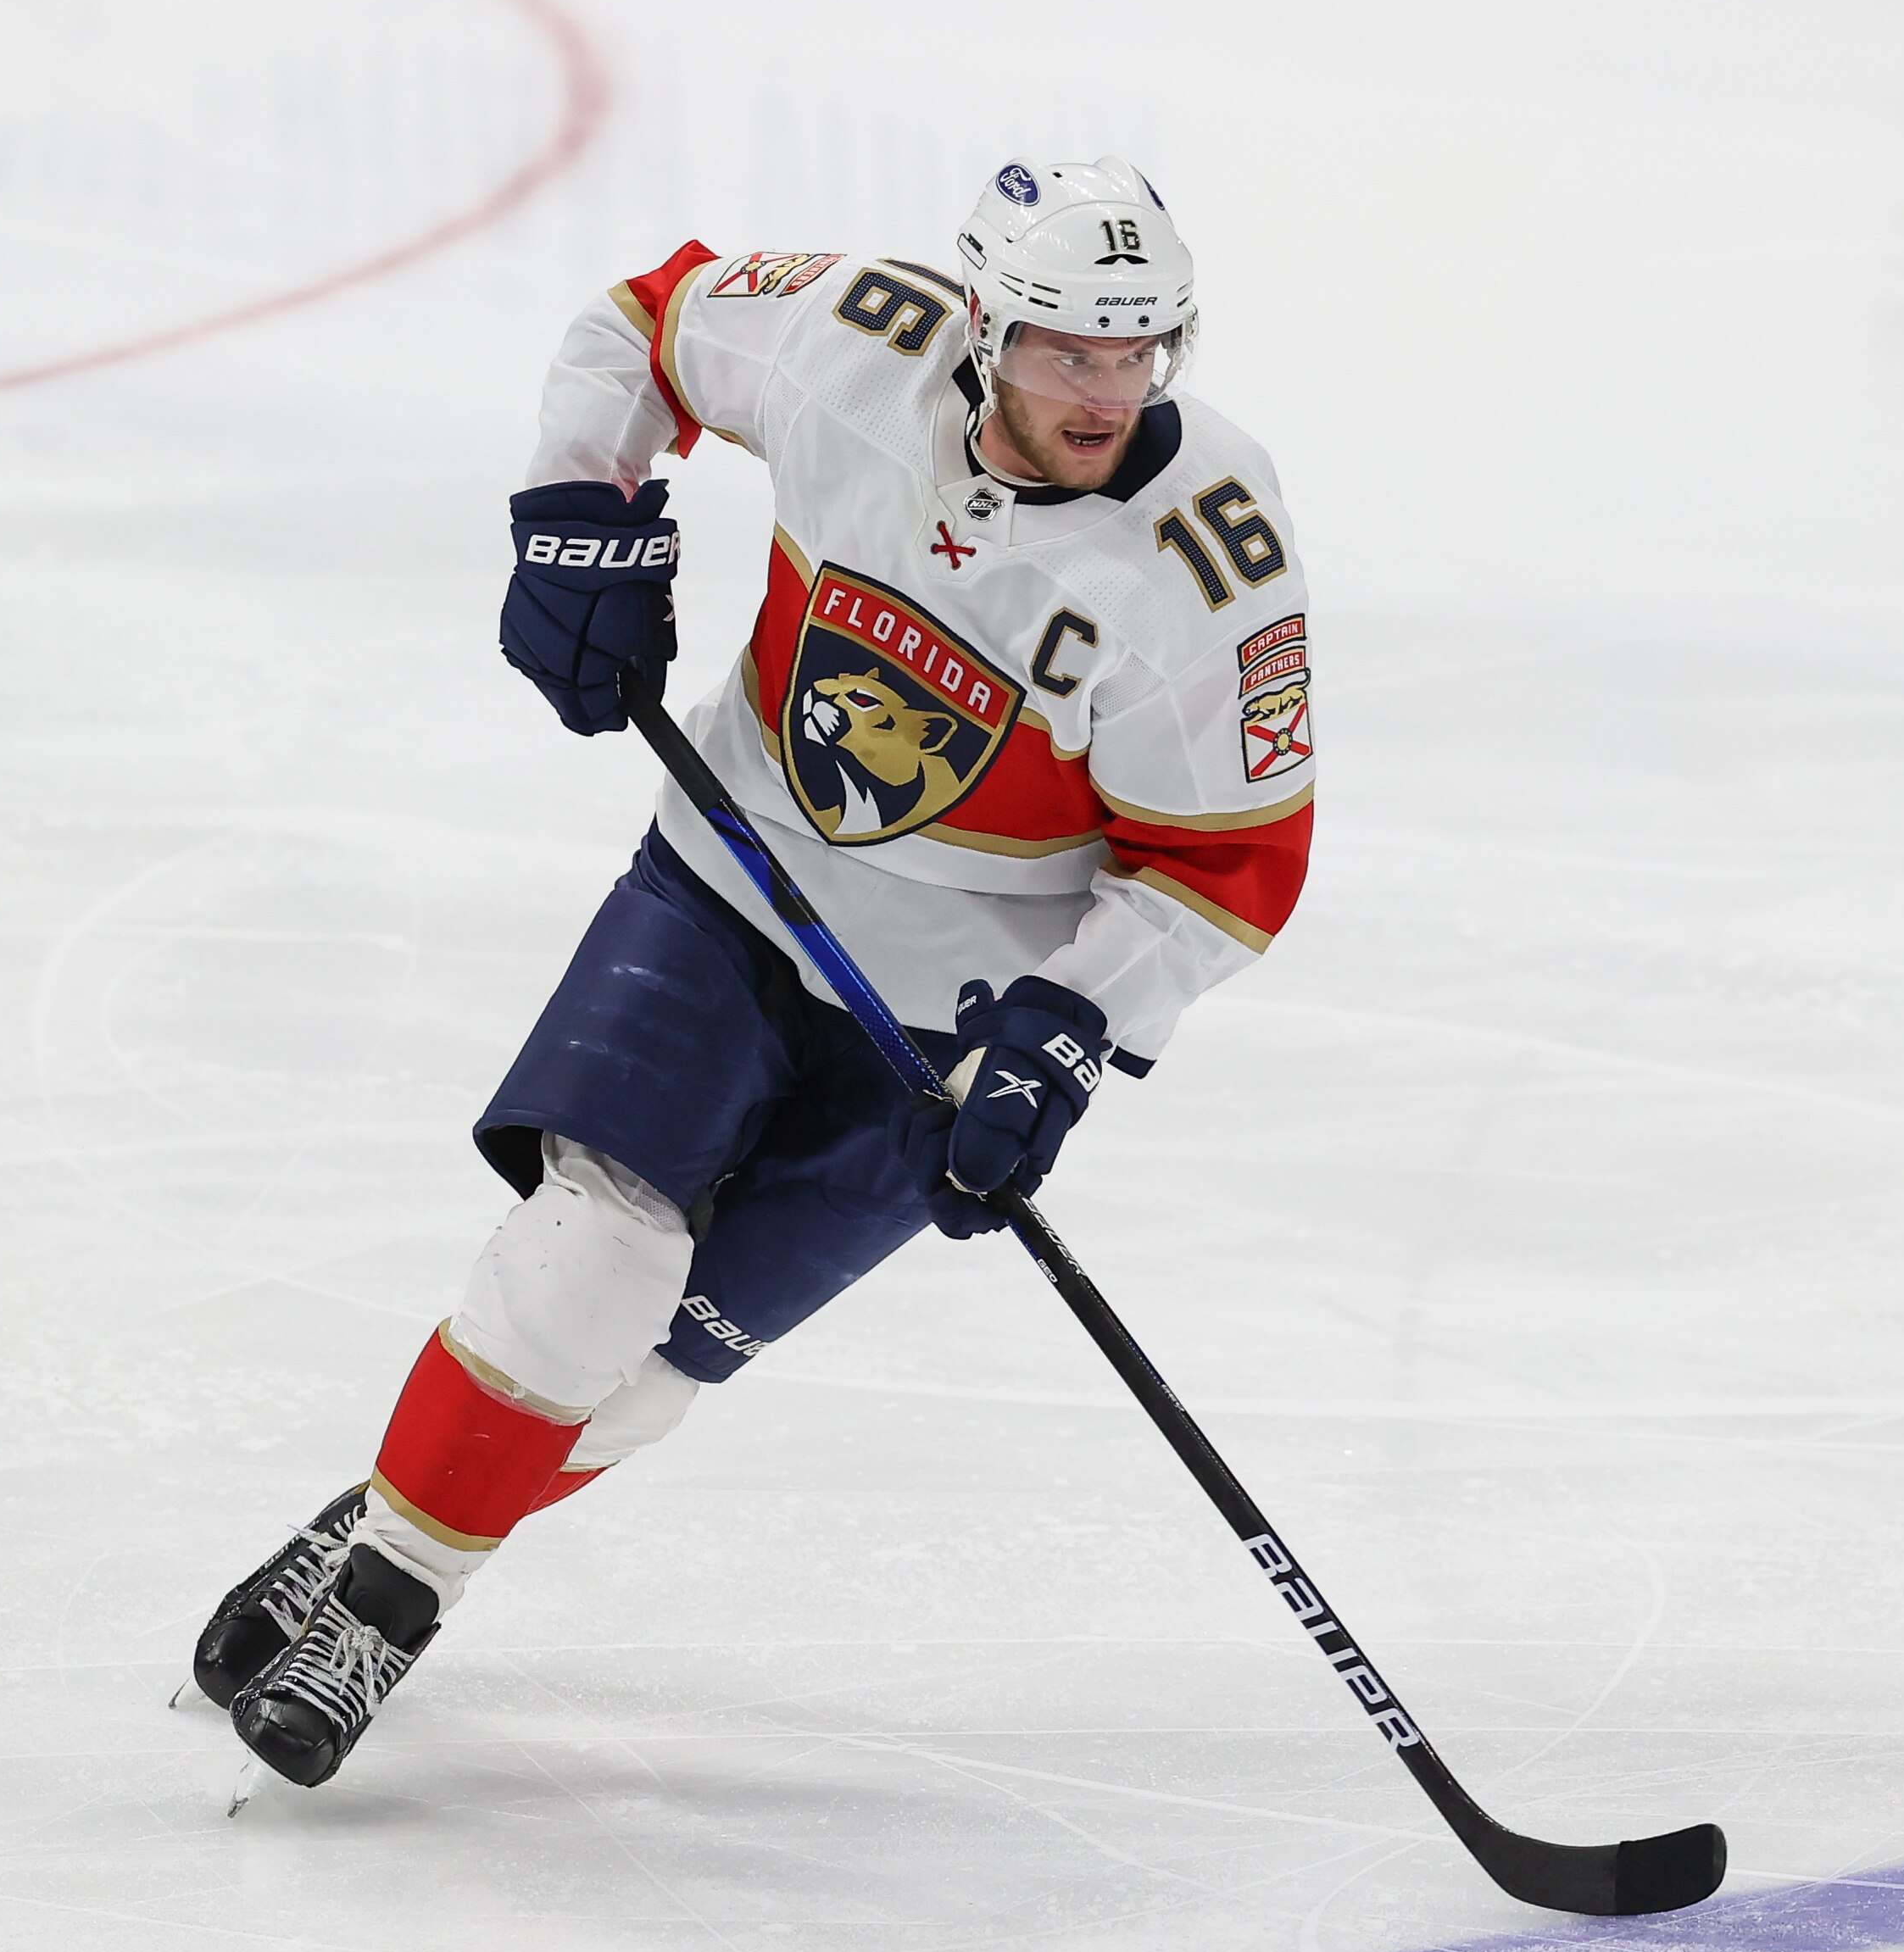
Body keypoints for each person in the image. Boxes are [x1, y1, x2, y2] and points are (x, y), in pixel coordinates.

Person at [194, 157, 1319, 1788]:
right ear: (986, 326)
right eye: (1071, 349)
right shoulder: (853, 341)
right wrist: (578, 511)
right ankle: (393, 1599)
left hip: (944, 1025)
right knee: (589, 1254)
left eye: (1142, 350)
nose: (1111, 389)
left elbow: (1229, 863)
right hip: (734, 888)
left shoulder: (1209, 558)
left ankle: (394, 1511)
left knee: (658, 1368)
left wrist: (1070, 1030)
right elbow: (641, 328)